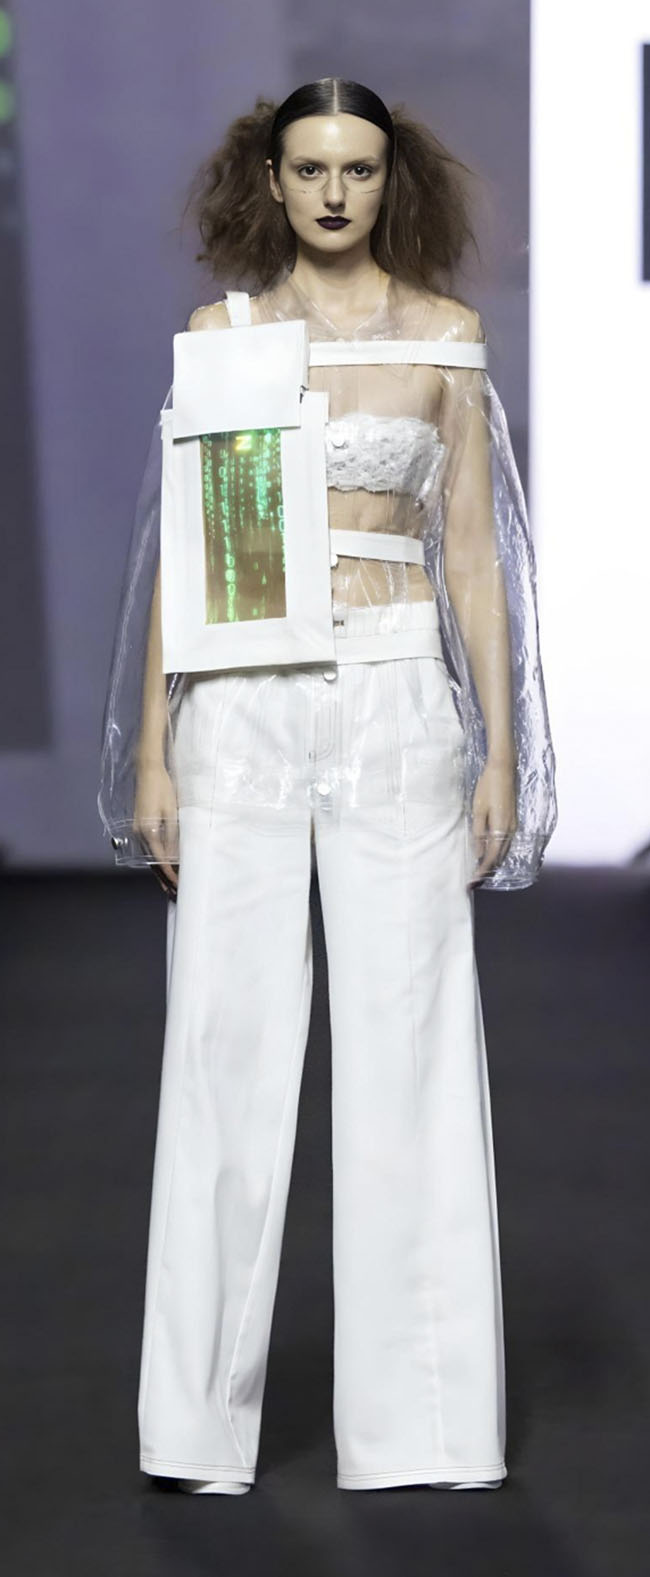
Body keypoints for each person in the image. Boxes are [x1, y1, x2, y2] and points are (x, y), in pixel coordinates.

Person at [98, 78, 556, 1494]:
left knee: (411, 1044)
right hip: (242, 703)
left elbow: (471, 554)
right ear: (272, 181)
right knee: (221, 1049)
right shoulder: (223, 338)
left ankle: (424, 1424)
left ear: (388, 178)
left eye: (358, 168)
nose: (335, 193)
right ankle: (195, 1428)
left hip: (402, 697)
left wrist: (501, 749)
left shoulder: (446, 337)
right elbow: (195, 553)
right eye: (310, 169)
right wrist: (152, 748)